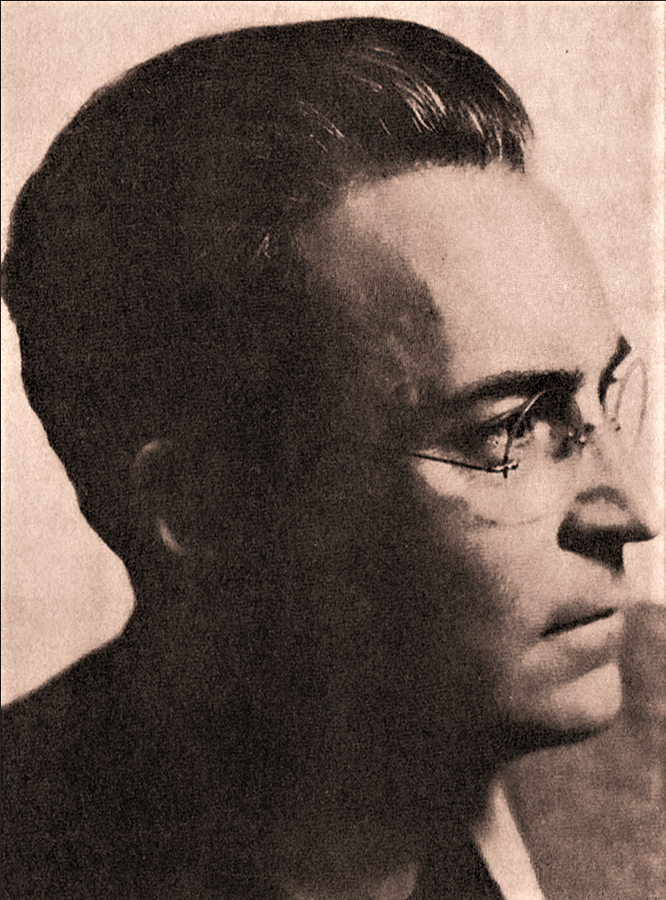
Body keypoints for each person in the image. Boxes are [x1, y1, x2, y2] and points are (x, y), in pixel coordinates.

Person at [1, 17, 659, 900]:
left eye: (604, 399)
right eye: (505, 430)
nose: (634, 512)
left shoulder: (651, 736)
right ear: (205, 504)